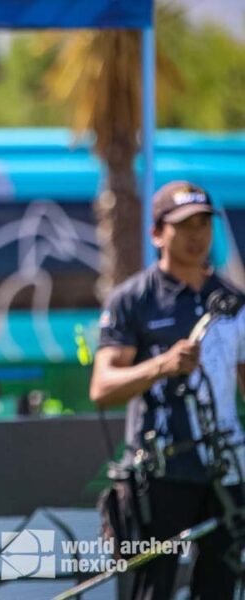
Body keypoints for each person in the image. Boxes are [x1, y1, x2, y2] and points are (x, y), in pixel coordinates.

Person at [90, 181, 245, 599]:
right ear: (157, 232)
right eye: (184, 225)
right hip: (160, 472)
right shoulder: (133, 299)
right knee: (153, 589)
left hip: (226, 468)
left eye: (203, 224)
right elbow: (102, 387)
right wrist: (162, 365)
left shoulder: (232, 299)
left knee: (220, 587)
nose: (197, 235)